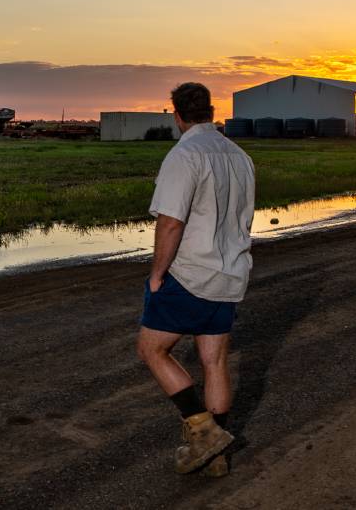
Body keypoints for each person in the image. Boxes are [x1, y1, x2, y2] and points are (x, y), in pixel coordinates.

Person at [135, 82, 256, 477]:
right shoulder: (239, 155)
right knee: (214, 360)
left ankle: (203, 432)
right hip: (231, 272)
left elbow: (171, 222)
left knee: (152, 350)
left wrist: (157, 275)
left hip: (191, 273)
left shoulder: (184, 153)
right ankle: (217, 455)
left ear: (177, 115)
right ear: (210, 110)